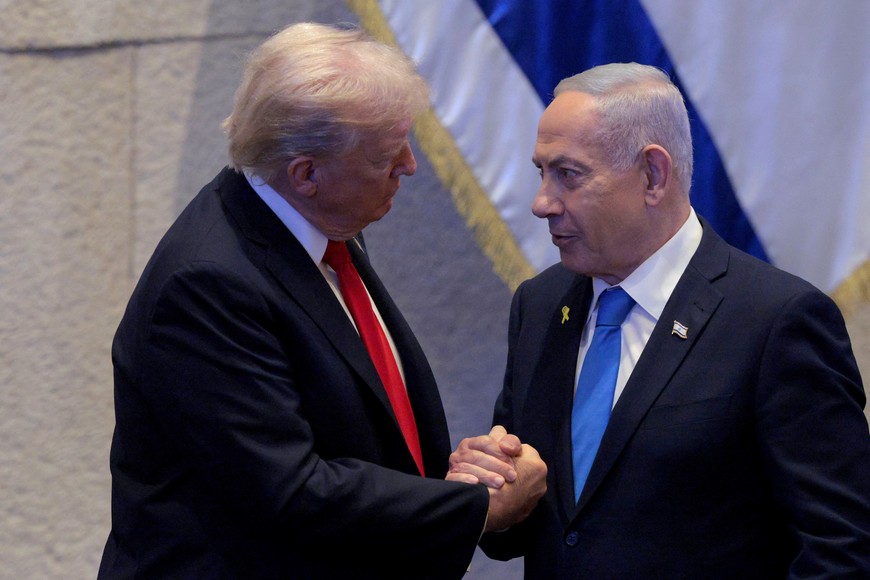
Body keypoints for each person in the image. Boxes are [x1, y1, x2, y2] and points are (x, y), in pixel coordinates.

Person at [98, 22, 546, 579]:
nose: (409, 164)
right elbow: (291, 491)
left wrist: (463, 477)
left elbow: (358, 424)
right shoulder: (207, 284)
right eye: (386, 154)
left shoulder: (316, 224)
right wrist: (478, 506)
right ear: (306, 173)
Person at [449, 62, 870, 577]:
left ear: (653, 174)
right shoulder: (539, 305)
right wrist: (492, 489)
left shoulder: (775, 320)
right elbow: (540, 526)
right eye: (542, 172)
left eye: (568, 174)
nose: (542, 203)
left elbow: (842, 549)